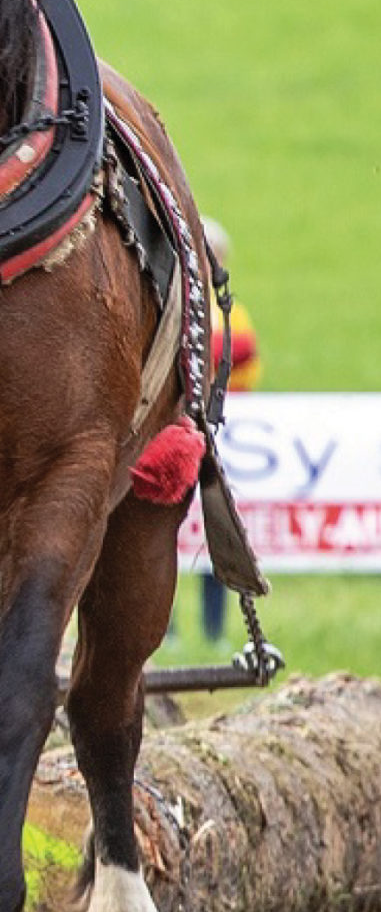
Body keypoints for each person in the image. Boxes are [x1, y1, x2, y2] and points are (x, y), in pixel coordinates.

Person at [202, 217, 261, 640]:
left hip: (225, 433)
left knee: (218, 528)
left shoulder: (229, 310)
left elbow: (239, 351)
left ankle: (214, 627)